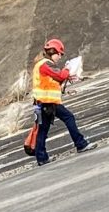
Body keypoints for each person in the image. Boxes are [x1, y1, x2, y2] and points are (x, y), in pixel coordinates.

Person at [29, 37, 88, 165]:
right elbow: (60, 75)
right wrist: (67, 68)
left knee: (42, 130)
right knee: (69, 118)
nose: (60, 57)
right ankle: (80, 144)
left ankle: (42, 158)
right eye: (59, 54)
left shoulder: (40, 65)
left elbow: (53, 80)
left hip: (40, 103)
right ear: (53, 52)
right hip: (48, 102)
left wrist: (65, 78)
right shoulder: (45, 64)